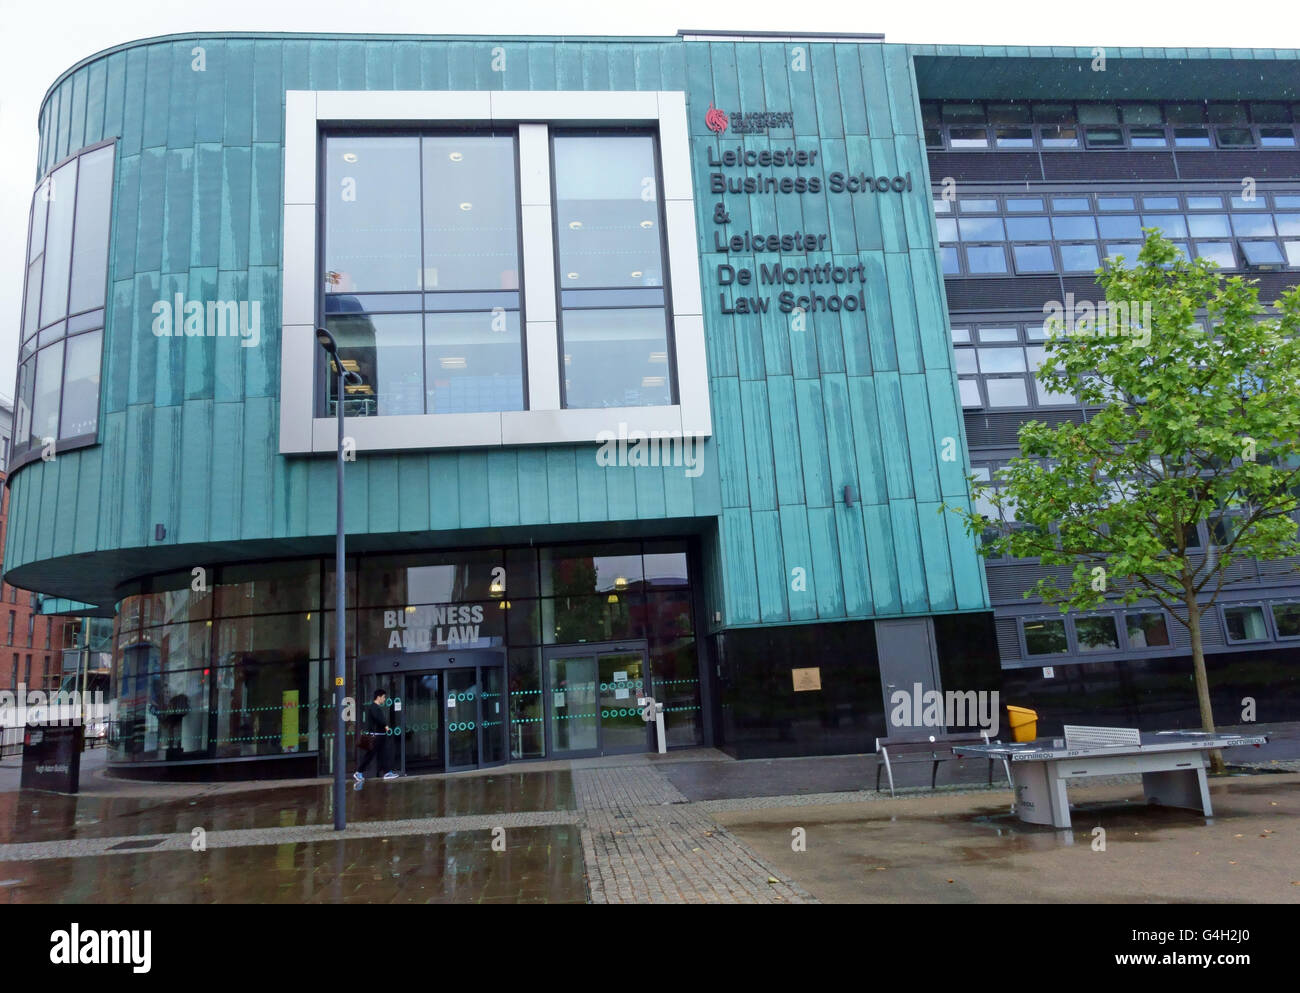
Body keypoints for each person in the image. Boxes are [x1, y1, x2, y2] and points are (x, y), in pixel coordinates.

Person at [354, 689, 399, 782]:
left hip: (380, 735)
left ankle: (387, 773)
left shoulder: (375, 707)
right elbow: (378, 718)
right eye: (383, 697)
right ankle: (359, 772)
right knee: (370, 755)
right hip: (376, 736)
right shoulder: (374, 707)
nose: (384, 699)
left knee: (383, 754)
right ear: (378, 697)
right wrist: (385, 725)